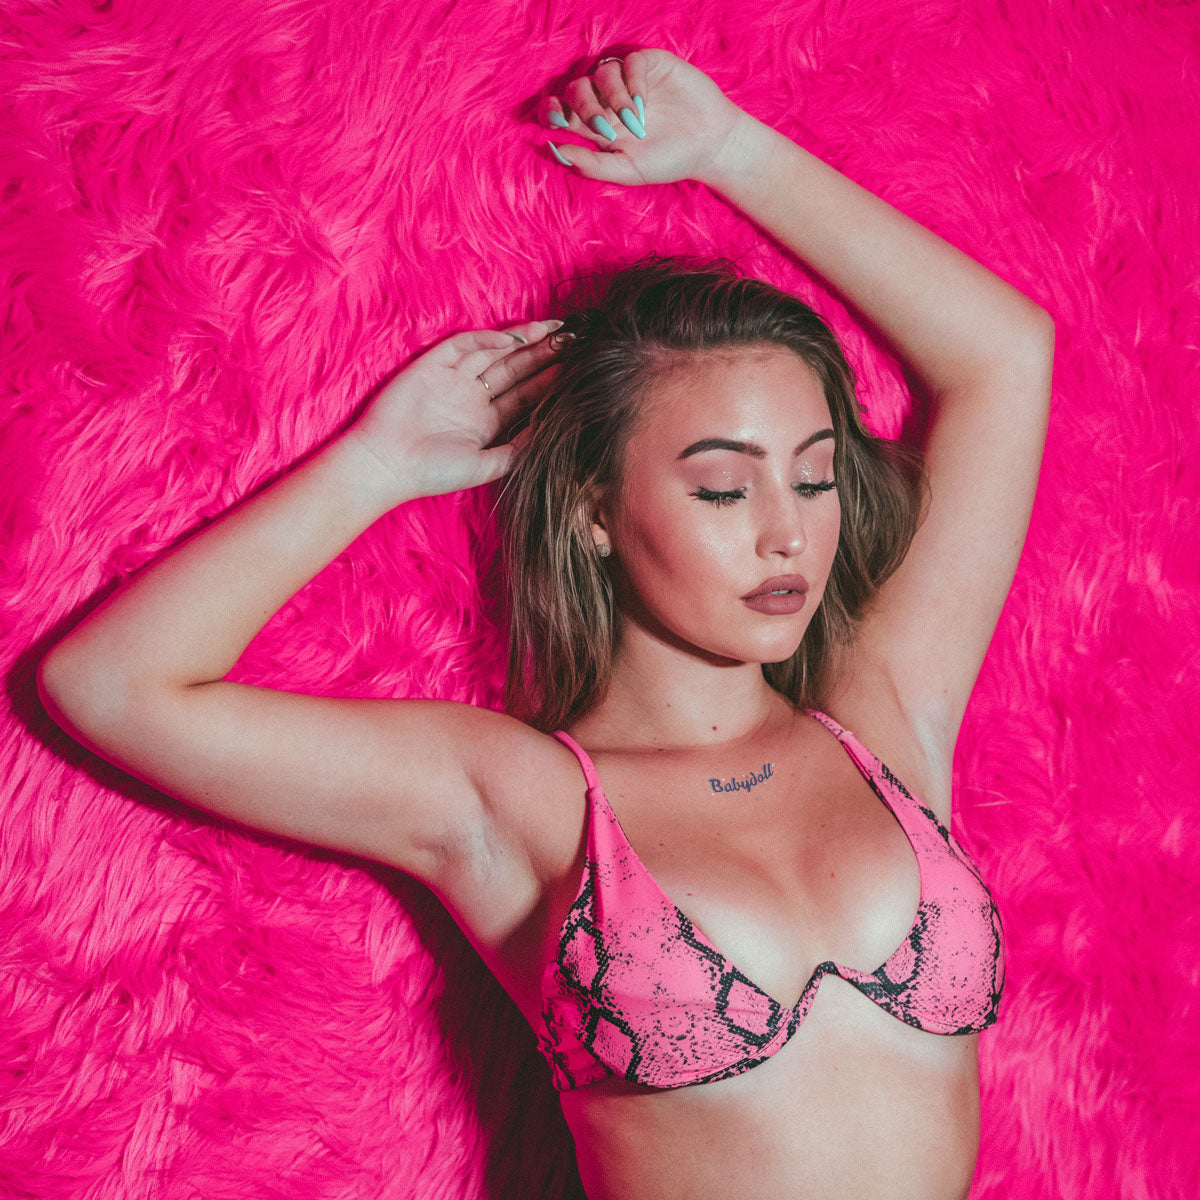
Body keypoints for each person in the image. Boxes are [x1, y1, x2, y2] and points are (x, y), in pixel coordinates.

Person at [36, 46, 1053, 1200]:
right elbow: (113, 687)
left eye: (814, 478)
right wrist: (376, 467)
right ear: (595, 511)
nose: (789, 535)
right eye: (725, 490)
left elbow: (1005, 358)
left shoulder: (885, 719)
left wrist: (728, 149)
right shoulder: (514, 799)